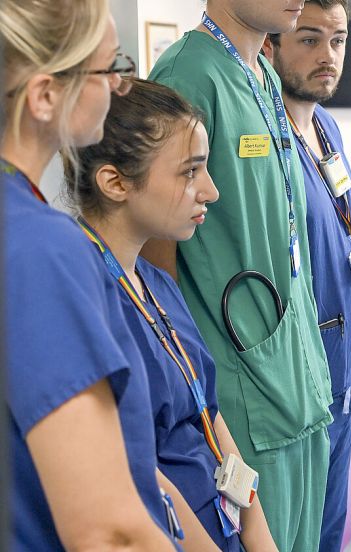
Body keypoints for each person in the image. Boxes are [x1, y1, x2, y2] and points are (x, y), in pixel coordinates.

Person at [147, 1, 333, 549]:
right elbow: (156, 253)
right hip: (241, 383)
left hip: (296, 371)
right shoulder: (189, 75)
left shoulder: (265, 74)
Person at [69, 78, 282, 552]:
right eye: (190, 172)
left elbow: (209, 413)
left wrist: (257, 533)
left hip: (218, 522)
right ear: (115, 182)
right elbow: (134, 470)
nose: (211, 191)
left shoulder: (156, 282)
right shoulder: (83, 304)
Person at [2, 1, 176, 549]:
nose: (121, 85)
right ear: (45, 96)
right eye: (111, 67)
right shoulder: (40, 247)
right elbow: (107, 530)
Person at [263, 2, 351, 550]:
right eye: (309, 39)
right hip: (301, 374)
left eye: (338, 40)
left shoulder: (327, 126)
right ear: (271, 46)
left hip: (344, 364)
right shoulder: (265, 138)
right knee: (297, 529)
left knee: (332, 523)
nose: (328, 56)